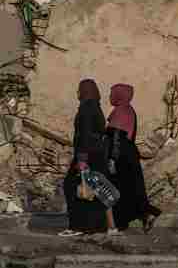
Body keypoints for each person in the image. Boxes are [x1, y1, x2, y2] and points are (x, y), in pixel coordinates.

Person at [61, 79, 113, 236]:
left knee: (71, 187)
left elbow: (85, 135)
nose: (77, 93)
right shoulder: (96, 107)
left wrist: (82, 160)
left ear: (84, 91)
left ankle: (77, 226)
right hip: (96, 156)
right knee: (93, 191)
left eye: (79, 90)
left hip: (87, 156)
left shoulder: (86, 108)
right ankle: (95, 226)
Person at [107, 83, 161, 232]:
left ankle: (121, 222)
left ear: (120, 95)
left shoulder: (120, 112)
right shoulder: (129, 110)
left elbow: (117, 137)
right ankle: (145, 214)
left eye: (112, 94)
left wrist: (112, 159)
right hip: (129, 154)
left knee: (120, 189)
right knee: (131, 189)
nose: (110, 97)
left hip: (121, 156)